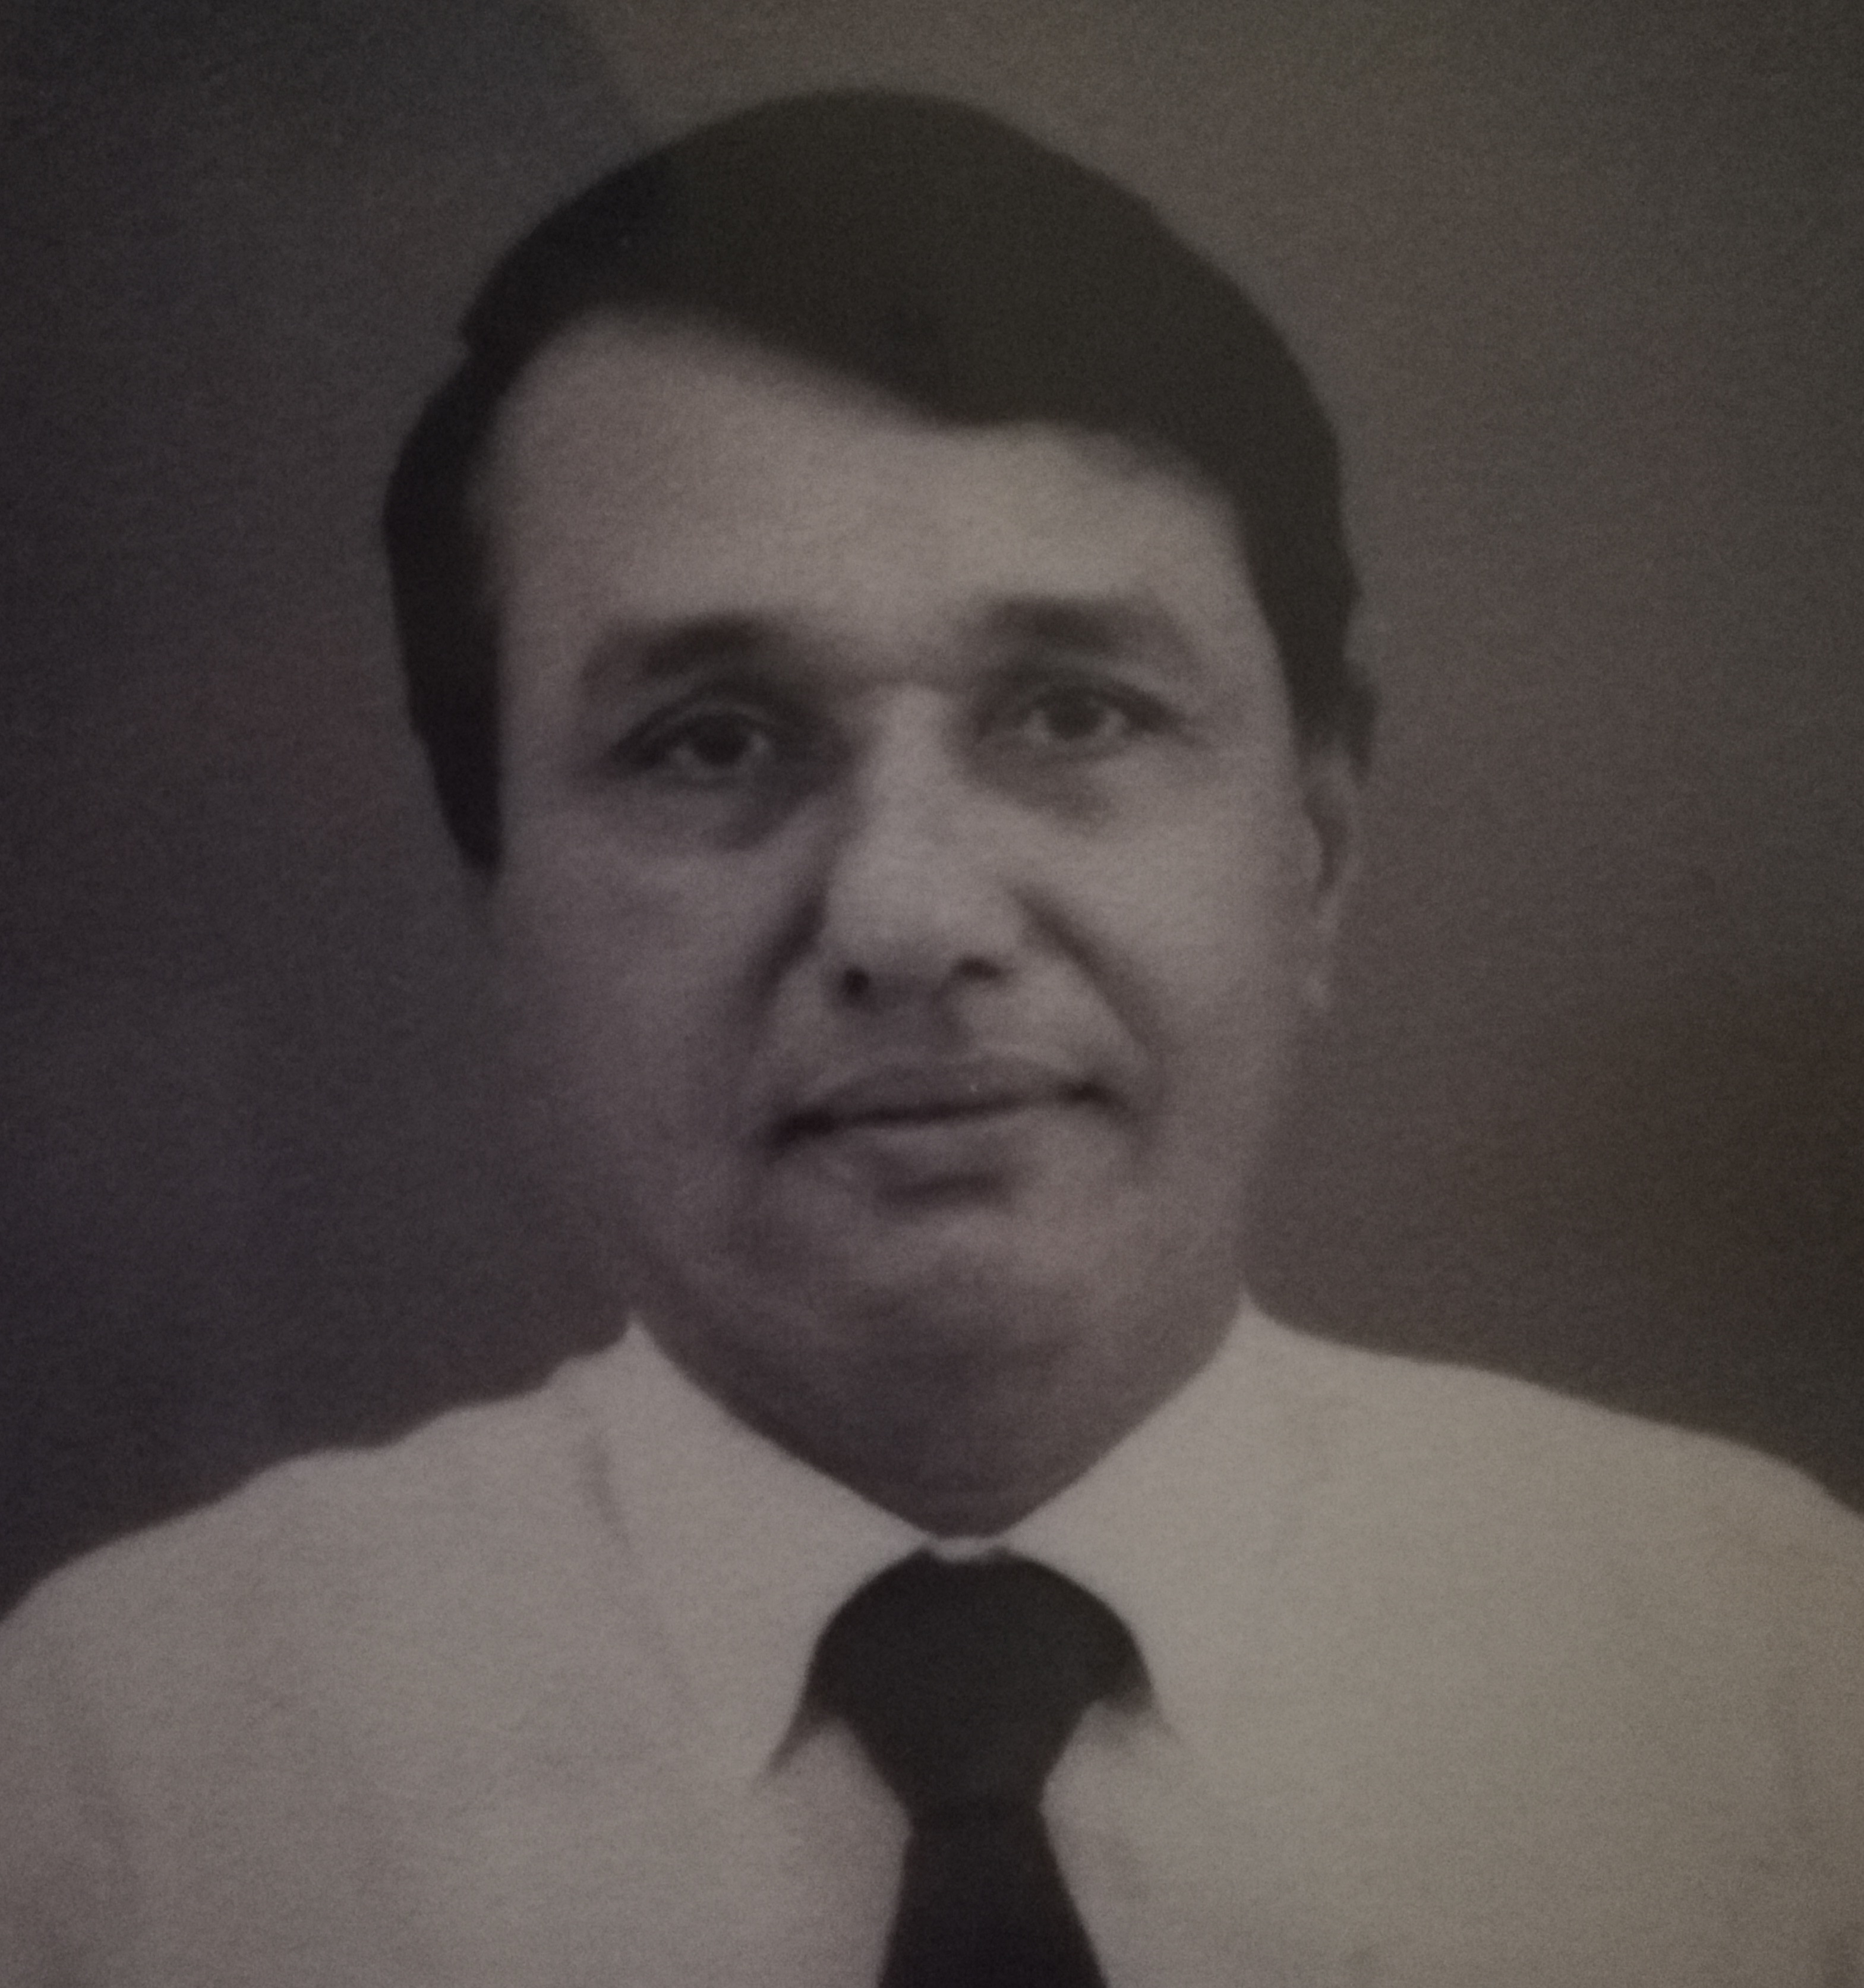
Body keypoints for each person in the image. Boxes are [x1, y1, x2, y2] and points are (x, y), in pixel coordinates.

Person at [1, 89, 1859, 1988]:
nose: (908, 917)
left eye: (1072, 712)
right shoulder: (120, 1792)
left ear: (1317, 840)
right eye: (710, 740)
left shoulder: (1781, 1696)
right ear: (501, 899)